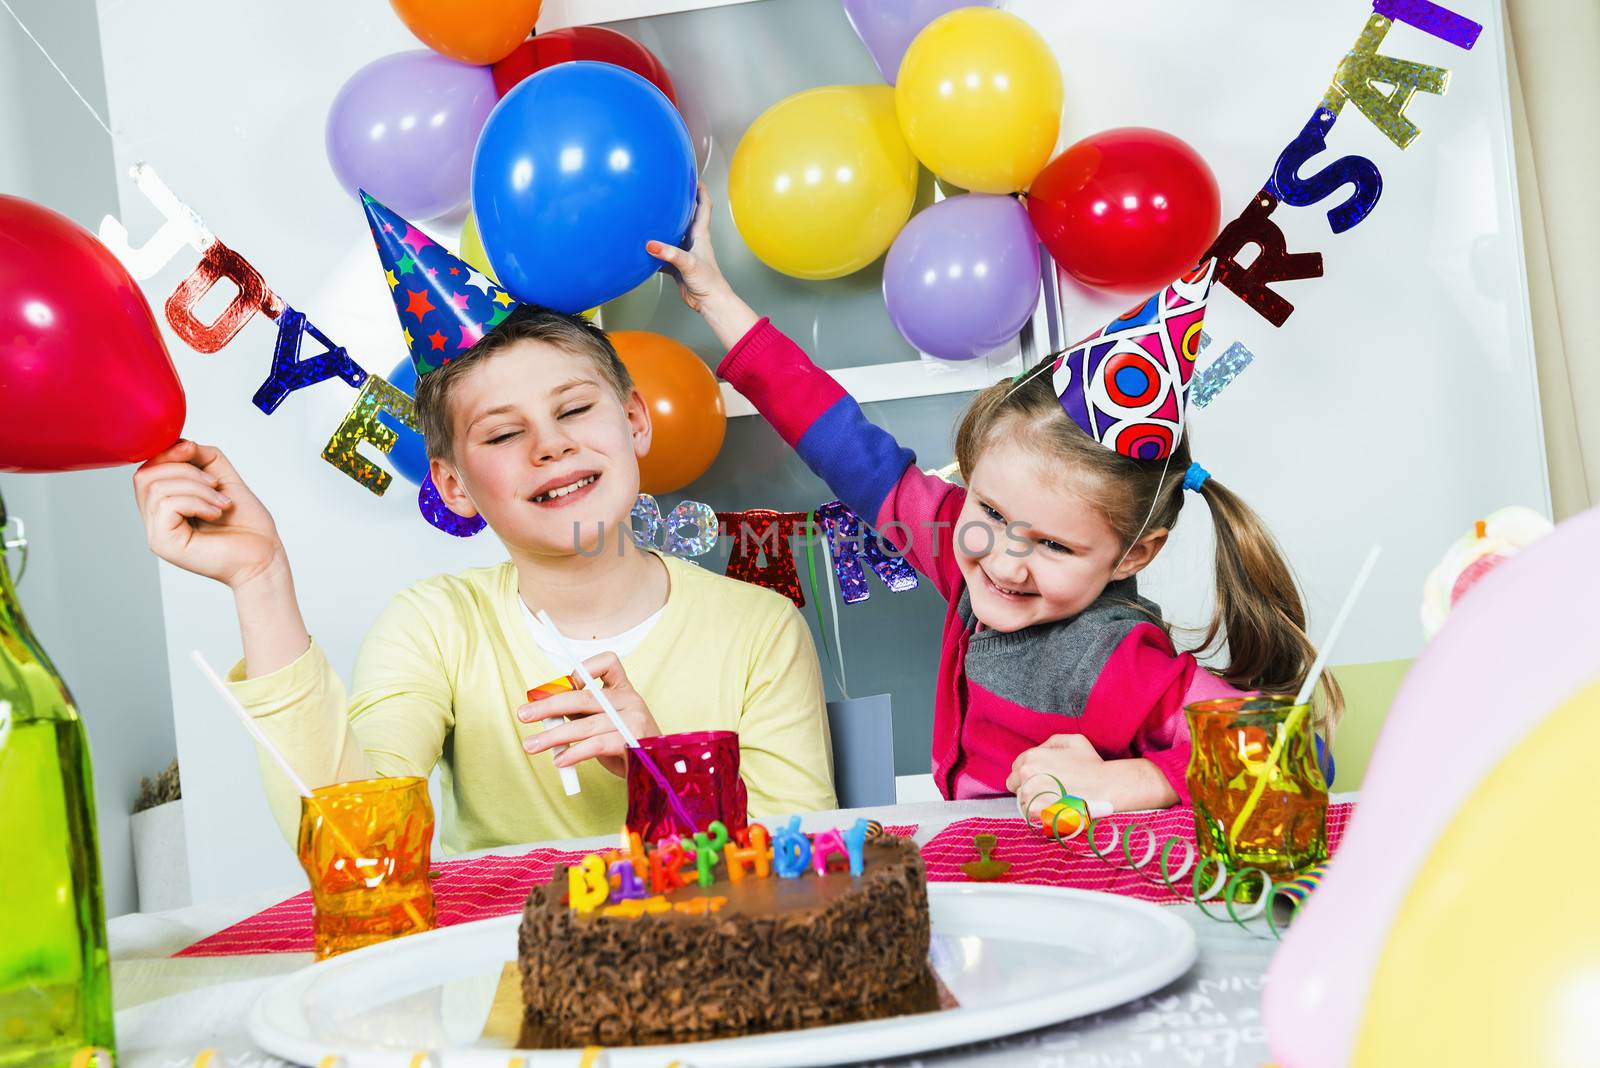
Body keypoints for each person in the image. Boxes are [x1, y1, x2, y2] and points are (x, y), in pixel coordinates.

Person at [132, 194, 834, 851]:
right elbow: (359, 843)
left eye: (574, 410)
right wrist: (261, 580)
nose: (550, 445)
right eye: (502, 435)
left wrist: (664, 770)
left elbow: (812, 877)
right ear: (454, 486)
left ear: (634, 421)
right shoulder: (437, 629)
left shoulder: (759, 631)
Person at [649, 189, 1338, 812]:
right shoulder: (959, 544)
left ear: (1136, 555)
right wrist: (713, 298)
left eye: (1056, 546)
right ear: (971, 481)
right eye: (993, 515)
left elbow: (1297, 762)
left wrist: (1137, 782)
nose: (1007, 564)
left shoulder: (1114, 659)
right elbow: (841, 443)